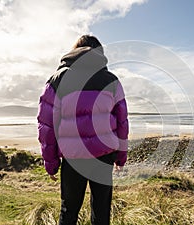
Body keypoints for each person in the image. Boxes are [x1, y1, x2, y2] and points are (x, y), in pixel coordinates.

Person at [37, 35, 129, 225]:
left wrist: (51, 162)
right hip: (104, 156)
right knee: (101, 211)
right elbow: (122, 123)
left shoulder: (57, 79)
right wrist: (121, 156)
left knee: (69, 210)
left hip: (73, 158)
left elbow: (47, 126)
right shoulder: (112, 80)